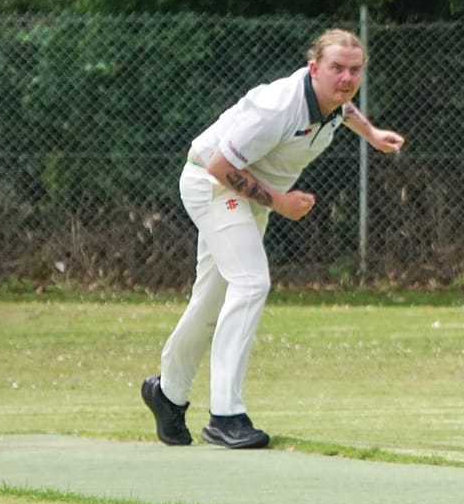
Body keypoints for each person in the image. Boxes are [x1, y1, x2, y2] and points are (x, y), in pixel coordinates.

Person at [141, 29, 405, 448]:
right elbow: (220, 165)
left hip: (247, 193)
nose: (346, 78)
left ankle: (167, 393)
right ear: (313, 68)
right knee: (251, 283)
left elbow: (343, 107)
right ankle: (226, 416)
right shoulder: (277, 108)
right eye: (336, 68)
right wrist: (280, 202)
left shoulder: (332, 98)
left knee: (211, 302)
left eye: (355, 70)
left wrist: (371, 134)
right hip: (214, 184)